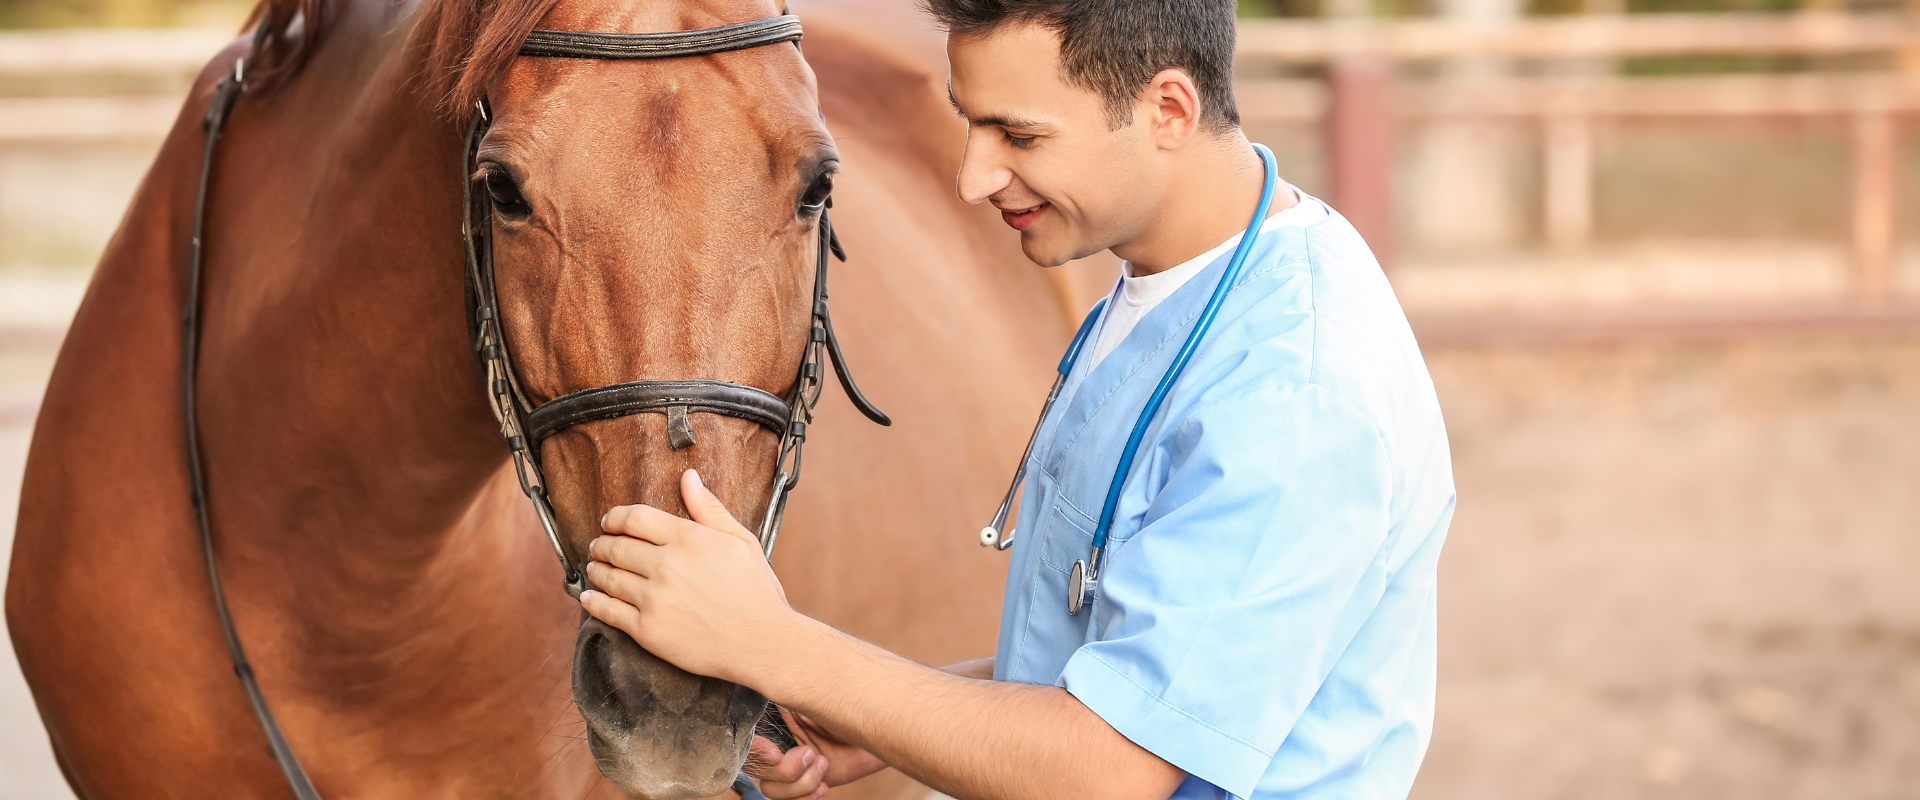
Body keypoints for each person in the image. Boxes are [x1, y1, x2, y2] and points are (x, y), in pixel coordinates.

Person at [575, 1, 1455, 798]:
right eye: (971, 125)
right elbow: (1149, 646)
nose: (972, 178)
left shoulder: (1292, 399)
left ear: (1168, 111)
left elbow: (1111, 767)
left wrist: (774, 644)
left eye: (1019, 137)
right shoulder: (1174, 278)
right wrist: (874, 714)